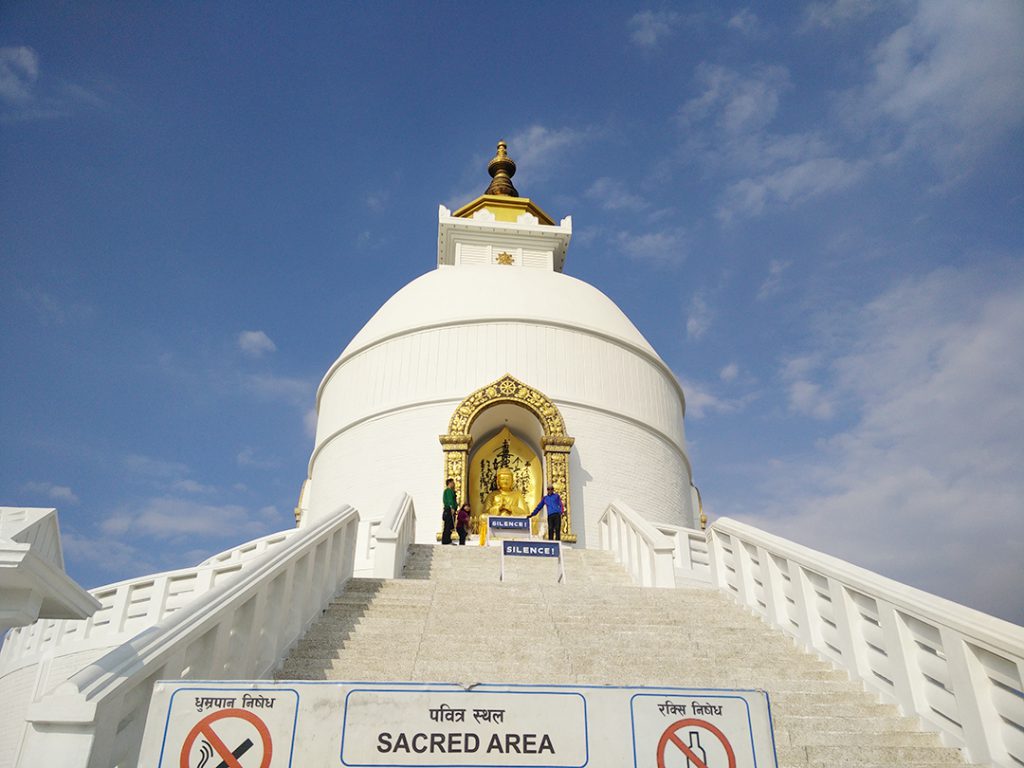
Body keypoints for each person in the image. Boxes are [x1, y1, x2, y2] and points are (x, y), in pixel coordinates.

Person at [441, 478, 457, 545]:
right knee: (448, 526)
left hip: (450, 510)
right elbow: (450, 500)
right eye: (453, 483)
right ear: (449, 483)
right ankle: (446, 540)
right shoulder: (448, 491)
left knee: (449, 526)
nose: (454, 484)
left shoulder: (450, 491)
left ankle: (447, 539)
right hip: (449, 510)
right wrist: (452, 508)